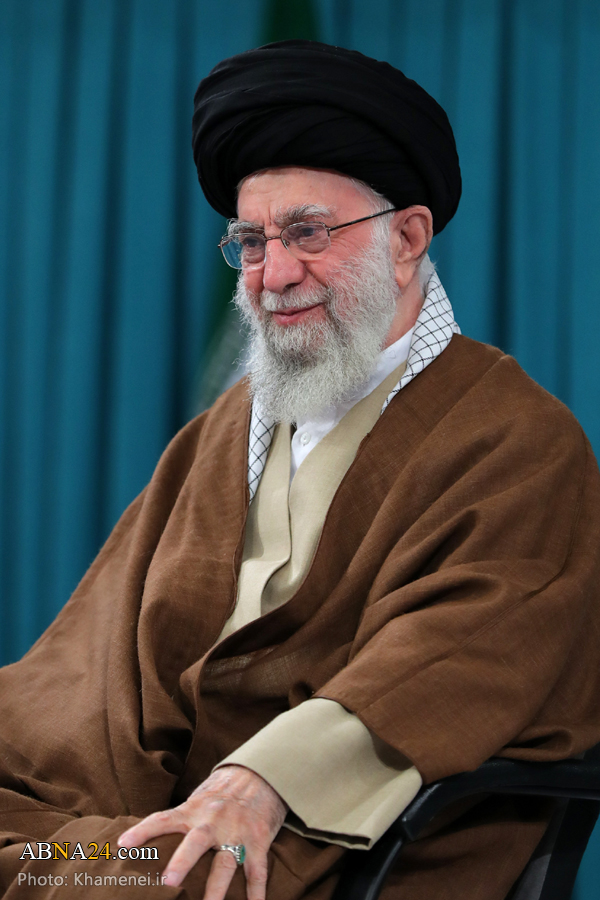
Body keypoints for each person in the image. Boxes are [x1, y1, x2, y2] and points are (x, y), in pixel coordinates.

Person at [0, 39, 599, 900]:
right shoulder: (221, 433)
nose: (274, 274)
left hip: (332, 840)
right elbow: (92, 668)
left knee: (136, 878)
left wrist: (262, 781)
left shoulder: (520, 442)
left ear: (407, 238)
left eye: (307, 232)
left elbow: (463, 659)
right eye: (251, 241)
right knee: (77, 863)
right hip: (162, 822)